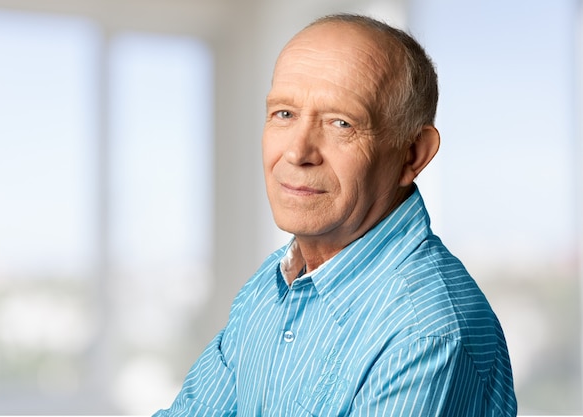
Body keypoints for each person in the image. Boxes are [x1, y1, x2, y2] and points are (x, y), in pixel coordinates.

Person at [153, 13, 517, 416]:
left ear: (412, 154)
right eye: (284, 114)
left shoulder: (425, 334)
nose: (297, 152)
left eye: (341, 123)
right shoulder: (271, 286)